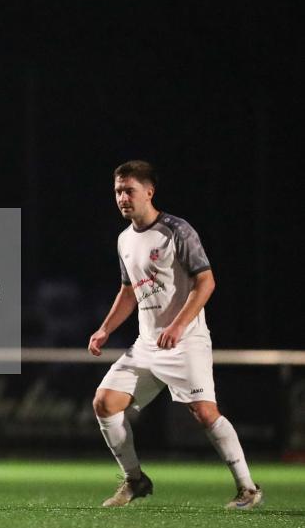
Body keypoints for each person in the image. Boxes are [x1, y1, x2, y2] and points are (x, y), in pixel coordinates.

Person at [88, 160, 262, 509]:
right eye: (118, 191)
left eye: (129, 190)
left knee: (205, 414)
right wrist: (106, 328)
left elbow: (206, 282)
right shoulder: (124, 239)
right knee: (105, 403)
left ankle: (248, 488)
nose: (122, 197)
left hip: (186, 342)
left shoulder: (177, 231)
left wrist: (179, 325)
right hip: (147, 345)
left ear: (149, 191)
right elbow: (128, 291)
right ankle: (135, 480)